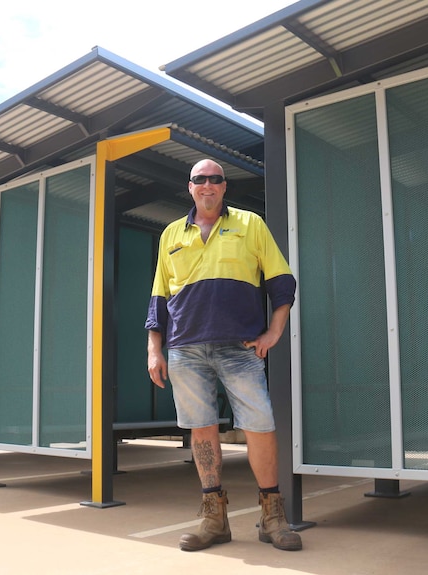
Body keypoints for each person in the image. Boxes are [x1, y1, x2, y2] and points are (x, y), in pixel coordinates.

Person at [145, 158, 302, 552]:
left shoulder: (250, 225)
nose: (208, 186)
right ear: (191, 187)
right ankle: (214, 519)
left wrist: (274, 331)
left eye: (215, 180)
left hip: (240, 346)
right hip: (185, 348)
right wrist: (154, 348)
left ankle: (272, 516)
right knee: (202, 427)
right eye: (201, 180)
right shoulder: (170, 235)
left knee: (260, 425)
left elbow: (282, 283)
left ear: (224, 187)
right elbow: (159, 297)